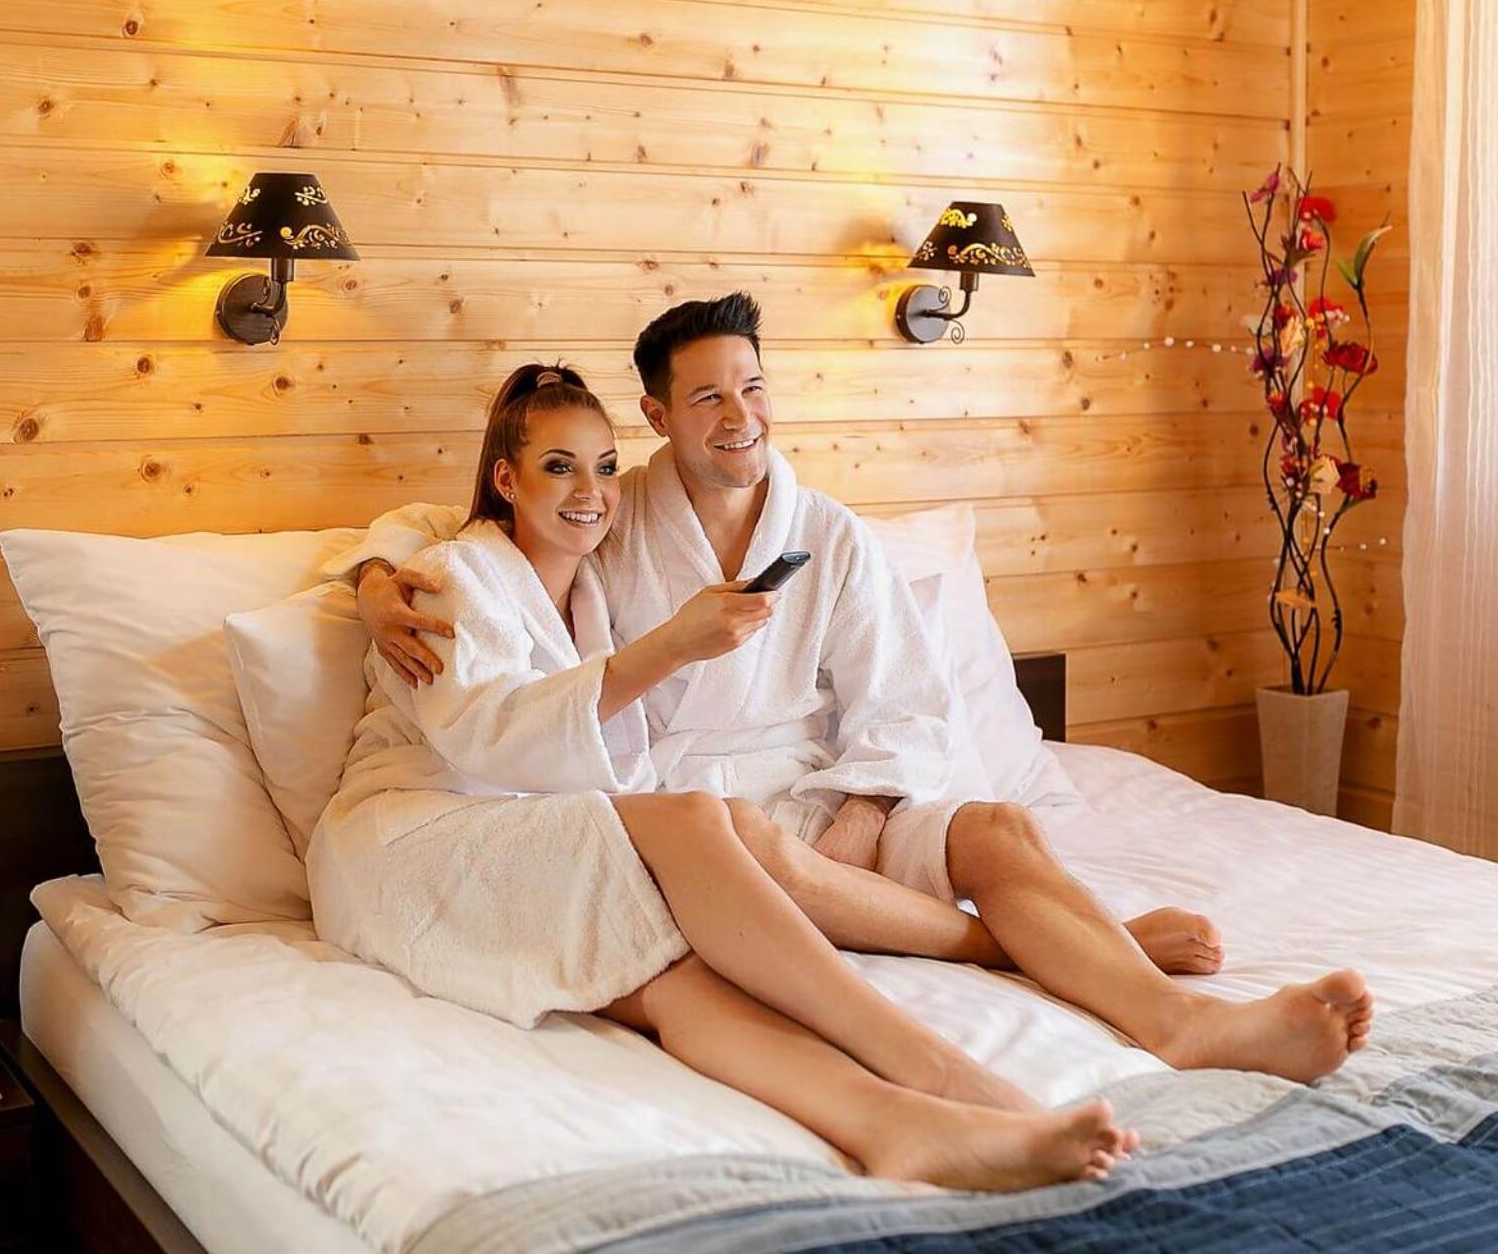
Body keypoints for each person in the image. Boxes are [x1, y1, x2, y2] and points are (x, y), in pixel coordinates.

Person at [343, 296, 1375, 1086]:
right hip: (694, 815)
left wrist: (862, 814)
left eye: (752, 388)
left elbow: (907, 705)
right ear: (658, 415)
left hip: (827, 803)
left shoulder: (828, 533)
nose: (740, 418)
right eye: (707, 398)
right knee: (759, 848)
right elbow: (465, 535)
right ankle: (1038, 944)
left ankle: (1180, 1021)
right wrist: (372, 580)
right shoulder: (607, 512)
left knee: (999, 828)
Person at [309, 364, 1133, 1192]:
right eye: (559, 467)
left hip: (524, 843)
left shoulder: (589, 586)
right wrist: (670, 645)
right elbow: (492, 735)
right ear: (505, 479)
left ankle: (898, 1127)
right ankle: (944, 1072)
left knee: (685, 979)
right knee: (694, 819)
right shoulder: (450, 576)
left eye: (605, 467)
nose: (590, 492)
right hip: (407, 841)